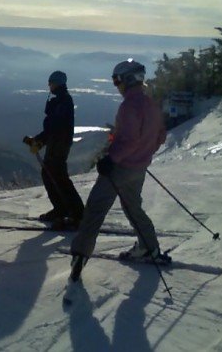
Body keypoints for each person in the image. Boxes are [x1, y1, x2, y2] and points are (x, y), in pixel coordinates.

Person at [70, 59, 168, 279]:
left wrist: (111, 159)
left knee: (96, 209)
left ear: (128, 79)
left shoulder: (129, 106)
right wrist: (144, 152)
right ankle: (149, 247)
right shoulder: (150, 104)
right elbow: (160, 135)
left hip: (120, 169)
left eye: (117, 80)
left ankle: (79, 256)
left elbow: (130, 140)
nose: (116, 85)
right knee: (133, 208)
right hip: (139, 168)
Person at [24, 70, 84, 230]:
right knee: (52, 174)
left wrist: (40, 140)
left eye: (51, 82)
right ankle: (63, 209)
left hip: (59, 144)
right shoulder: (61, 100)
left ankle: (76, 213)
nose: (49, 85)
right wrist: (39, 140)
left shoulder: (62, 101)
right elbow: (53, 127)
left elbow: (55, 127)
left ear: (57, 83)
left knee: (58, 176)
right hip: (57, 143)